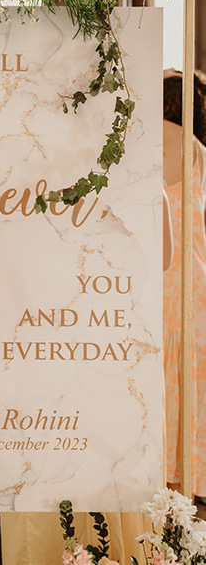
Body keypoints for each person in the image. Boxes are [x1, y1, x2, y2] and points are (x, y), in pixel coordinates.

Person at [163, 68, 206, 508]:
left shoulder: (141, 141)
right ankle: (181, 490)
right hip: (191, 280)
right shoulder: (196, 149)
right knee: (186, 381)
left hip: (157, 272)